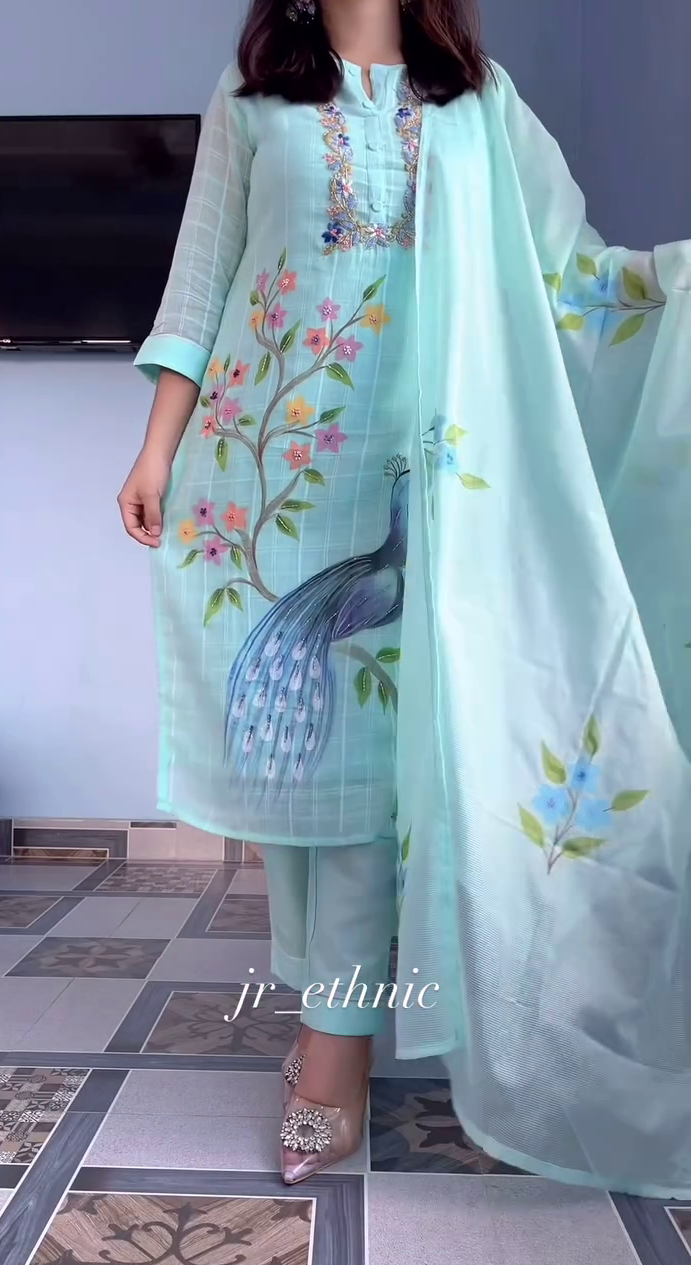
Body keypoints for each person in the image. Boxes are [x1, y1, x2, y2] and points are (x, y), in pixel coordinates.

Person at [119, 0, 691, 1194]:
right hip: (275, 480)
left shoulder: (477, 104)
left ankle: (335, 1049)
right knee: (311, 783)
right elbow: (200, 280)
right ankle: (336, 1019)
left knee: (382, 781)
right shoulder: (256, 96)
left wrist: (673, 288)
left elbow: (568, 275)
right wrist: (158, 449)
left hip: (435, 491)